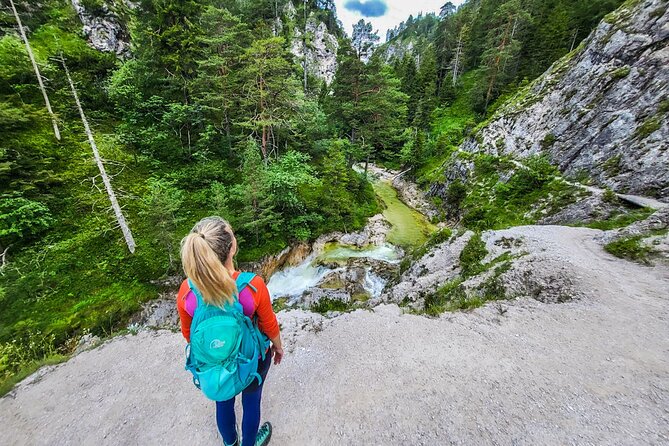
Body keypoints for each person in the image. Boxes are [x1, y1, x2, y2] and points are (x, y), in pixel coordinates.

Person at [177, 216, 284, 446]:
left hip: (214, 363)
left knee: (222, 401)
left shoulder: (187, 291)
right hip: (252, 359)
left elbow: (189, 334)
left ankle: (230, 442)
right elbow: (269, 324)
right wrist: (278, 346)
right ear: (232, 247)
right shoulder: (252, 286)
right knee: (252, 400)